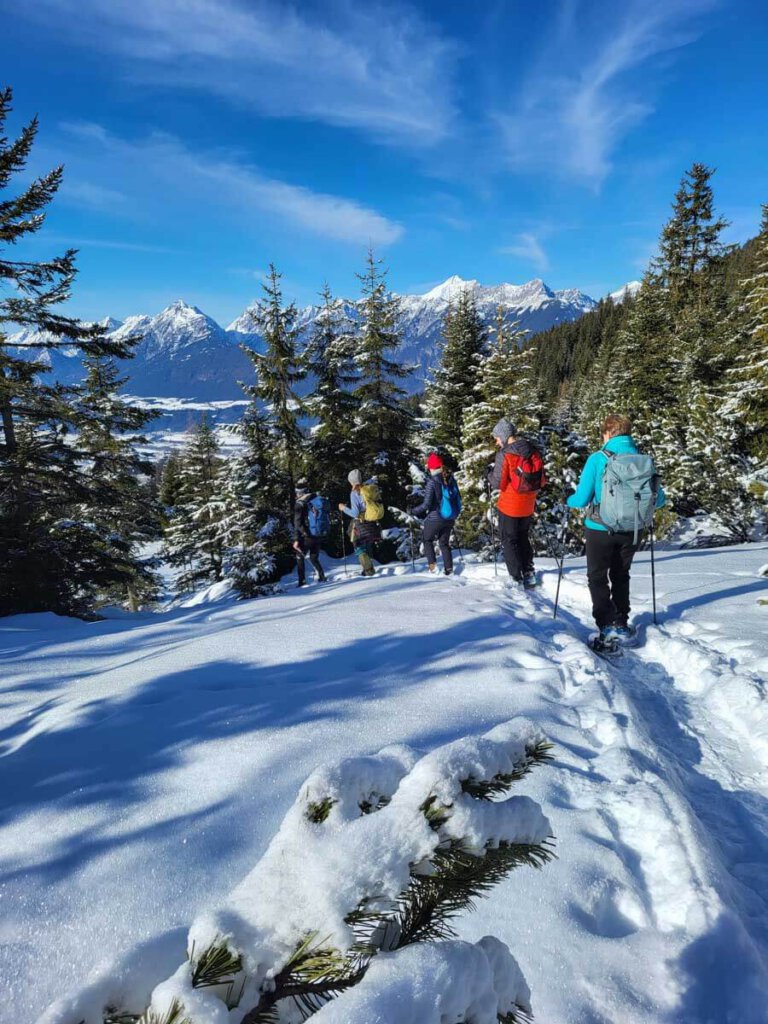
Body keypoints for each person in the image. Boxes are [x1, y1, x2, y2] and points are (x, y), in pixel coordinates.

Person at [567, 413, 665, 644]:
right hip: (633, 529)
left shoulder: (598, 458)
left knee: (597, 576)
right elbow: (659, 500)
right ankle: (621, 622)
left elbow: (581, 499)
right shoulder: (643, 460)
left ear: (608, 433)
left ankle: (606, 625)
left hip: (600, 527)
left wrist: (568, 500)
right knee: (621, 574)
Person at [490, 418, 545, 588]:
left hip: (509, 505)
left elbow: (498, 483)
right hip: (528, 505)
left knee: (509, 540)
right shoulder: (532, 450)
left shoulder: (505, 454)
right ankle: (529, 572)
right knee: (522, 537)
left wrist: (488, 474)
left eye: (497, 437)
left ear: (504, 436)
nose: (497, 441)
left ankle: (516, 577)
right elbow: (542, 480)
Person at [411, 452, 461, 576]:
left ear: (431, 467)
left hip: (435, 517)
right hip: (450, 516)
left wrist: (413, 511)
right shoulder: (450, 479)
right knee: (444, 543)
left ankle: (433, 567)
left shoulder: (432, 482)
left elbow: (426, 505)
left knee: (427, 539)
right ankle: (449, 569)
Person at [338, 469, 379, 577]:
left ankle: (369, 571)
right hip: (371, 521)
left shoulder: (354, 493)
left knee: (358, 546)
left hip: (361, 522)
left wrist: (343, 508)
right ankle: (369, 568)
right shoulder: (368, 489)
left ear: (352, 481)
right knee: (367, 543)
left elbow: (355, 513)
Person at [293, 480, 328, 586]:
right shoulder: (315, 499)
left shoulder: (300, 503)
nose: (296, 494)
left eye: (297, 492)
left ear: (300, 492)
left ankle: (302, 581)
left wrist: (297, 538)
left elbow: (298, 523)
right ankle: (322, 577)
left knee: (299, 555)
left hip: (308, 535)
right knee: (313, 557)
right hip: (318, 532)